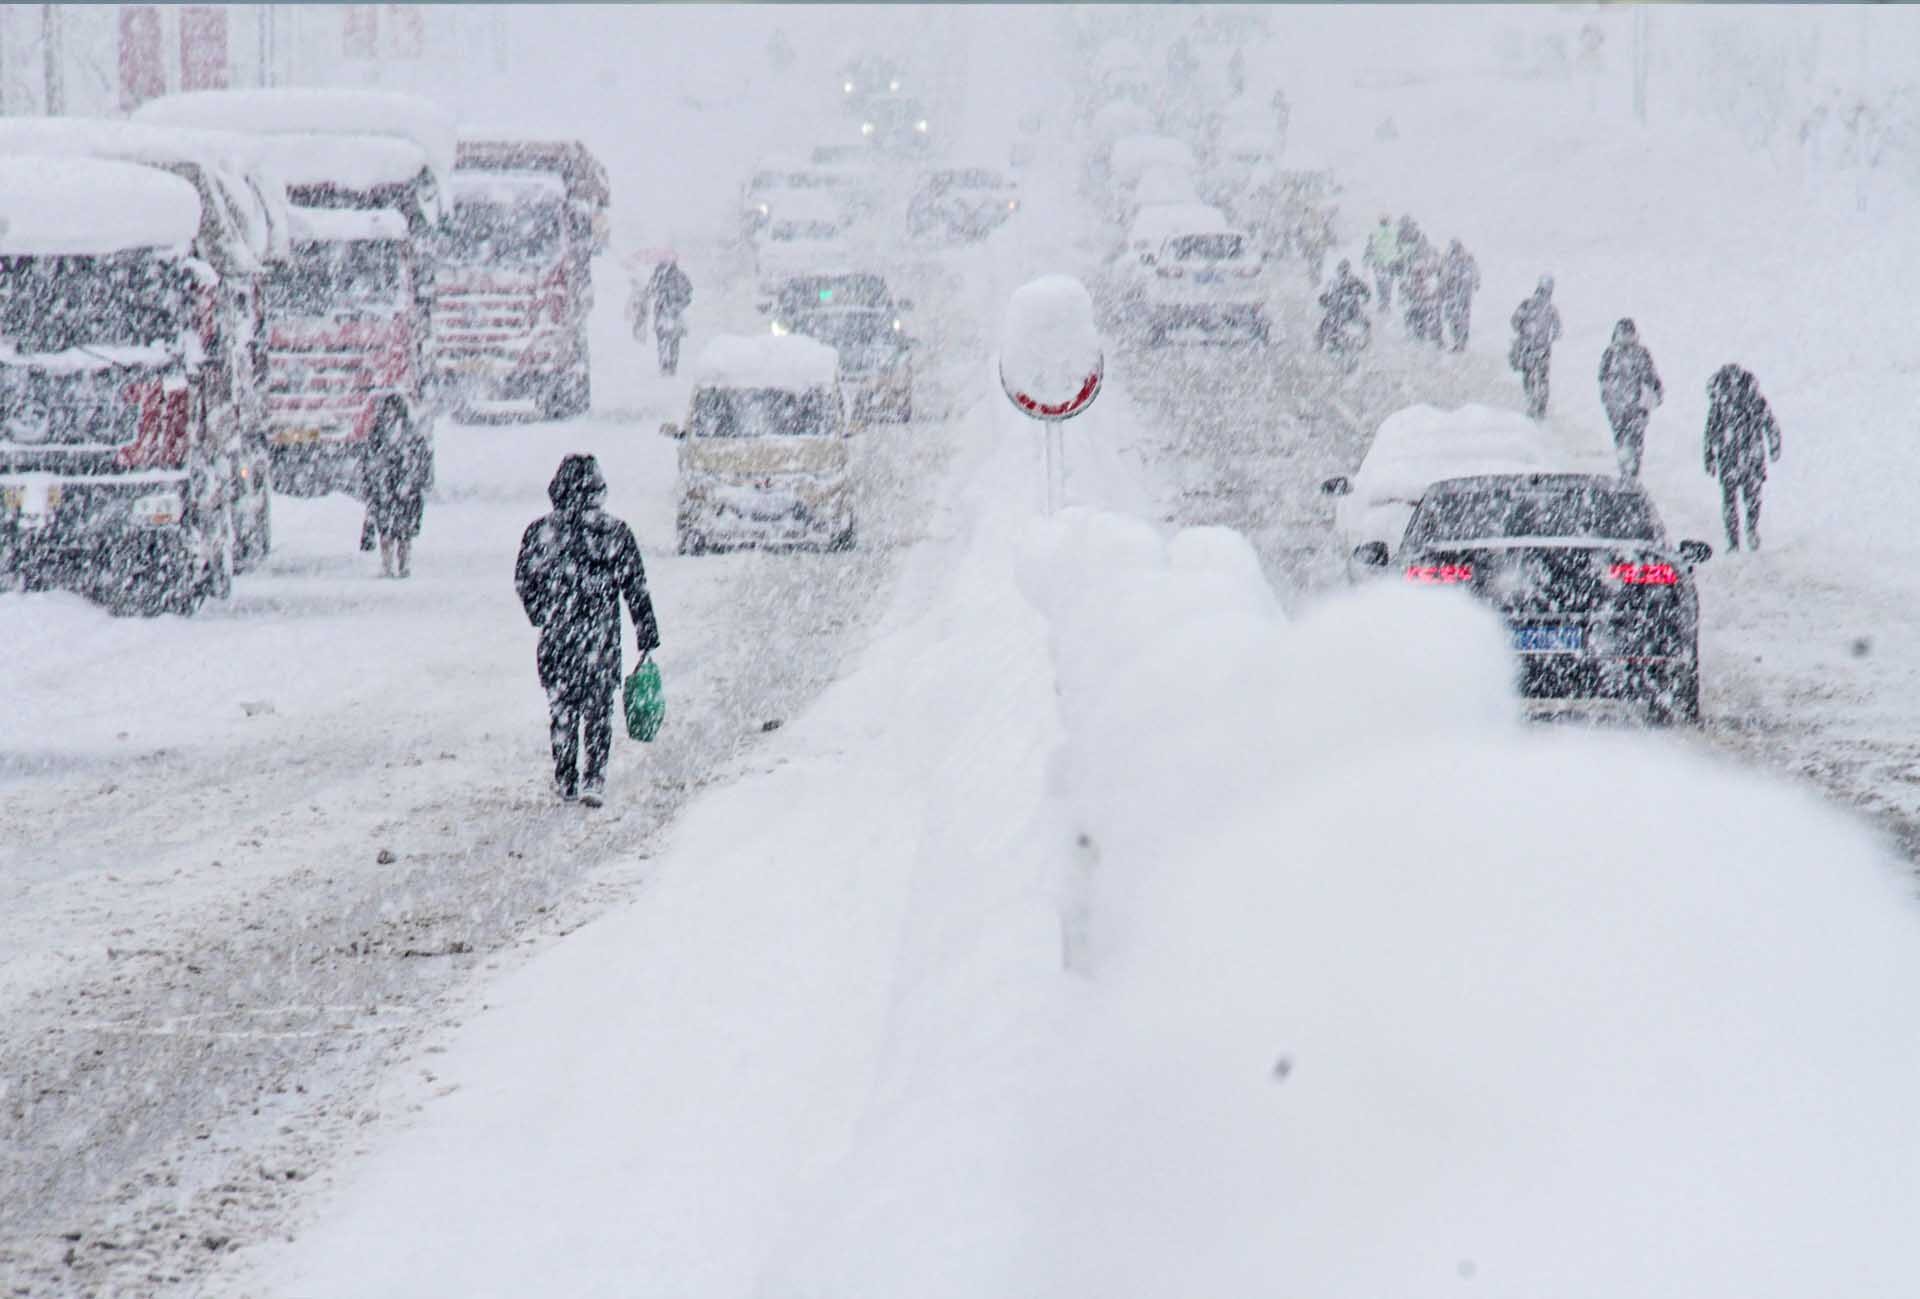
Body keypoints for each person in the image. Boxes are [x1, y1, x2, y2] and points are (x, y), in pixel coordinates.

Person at [514, 454, 660, 806]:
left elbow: (524, 580)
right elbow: (635, 587)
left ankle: (566, 777)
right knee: (598, 708)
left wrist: (541, 612)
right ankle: (594, 776)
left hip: (559, 636)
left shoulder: (541, 532)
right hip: (600, 635)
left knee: (562, 707)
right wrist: (646, 635)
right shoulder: (614, 532)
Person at [1703, 364, 1782, 551]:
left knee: (1736, 500)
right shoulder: (1749, 399)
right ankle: (1744, 534)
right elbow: (1770, 424)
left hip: (1733, 458)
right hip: (1747, 456)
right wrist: (1774, 445)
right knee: (1747, 499)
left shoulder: (1724, 403)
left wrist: (1710, 457)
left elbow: (1711, 432)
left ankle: (1739, 537)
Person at [358, 409, 431, 578]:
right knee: (399, 533)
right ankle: (399, 566)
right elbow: (422, 463)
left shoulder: (380, 436)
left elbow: (368, 464)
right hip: (400, 491)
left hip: (390, 490)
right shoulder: (410, 435)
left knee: (392, 532)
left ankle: (392, 566)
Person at [1597, 318, 1664, 478]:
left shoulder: (1639, 354)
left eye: (1628, 332)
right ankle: (1628, 471)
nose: (1627, 336)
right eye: (1624, 332)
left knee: (1633, 440)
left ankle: (1630, 472)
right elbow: (1603, 379)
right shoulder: (1612, 354)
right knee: (1626, 439)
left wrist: (1647, 403)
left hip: (1634, 407)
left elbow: (1650, 380)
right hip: (1620, 408)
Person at [1509, 276, 1562, 419]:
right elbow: (1558, 332)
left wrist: (1523, 331)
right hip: (1543, 350)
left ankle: (1531, 402)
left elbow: (1514, 322)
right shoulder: (1551, 309)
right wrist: (1547, 338)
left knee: (1528, 377)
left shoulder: (1527, 304)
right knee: (1543, 378)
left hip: (1527, 348)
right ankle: (1541, 407)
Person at [646, 256, 693, 377]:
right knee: (663, 339)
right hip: (662, 312)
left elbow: (688, 293)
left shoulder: (679, 276)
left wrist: (679, 303)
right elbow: (650, 291)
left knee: (672, 340)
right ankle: (665, 364)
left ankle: (670, 365)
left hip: (673, 312)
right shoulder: (657, 276)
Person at [1316, 258, 1371, 352]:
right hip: (1339, 310)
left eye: (1345, 270)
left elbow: (1366, 291)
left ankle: (1364, 341)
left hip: (1349, 310)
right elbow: (1323, 296)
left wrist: (1364, 296)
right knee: (1325, 325)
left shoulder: (1352, 280)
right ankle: (1322, 342)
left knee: (1365, 323)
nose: (1344, 272)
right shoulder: (1333, 282)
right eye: (1342, 270)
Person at [1438, 238, 1480, 352]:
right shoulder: (1450, 260)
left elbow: (1443, 276)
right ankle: (1460, 341)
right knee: (1457, 318)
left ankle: (1460, 342)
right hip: (1457, 294)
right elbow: (1443, 276)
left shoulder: (1462, 260)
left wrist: (1475, 283)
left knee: (1458, 318)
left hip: (1460, 294)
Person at [1402, 237, 1442, 346]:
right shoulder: (1422, 273)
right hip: (1422, 301)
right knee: (1421, 318)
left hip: (1424, 301)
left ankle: (1431, 337)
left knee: (1423, 318)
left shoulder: (1429, 275)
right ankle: (1428, 336)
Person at [1362, 215, 1398, 313]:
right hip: (1391, 262)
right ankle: (1386, 301)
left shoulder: (1374, 233)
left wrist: (1366, 261)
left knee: (1380, 282)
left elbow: (1369, 247)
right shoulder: (1394, 232)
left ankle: (1383, 301)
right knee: (1389, 282)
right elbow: (1398, 247)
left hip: (1378, 262)